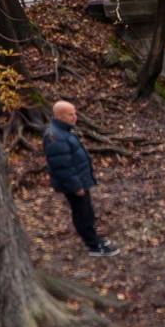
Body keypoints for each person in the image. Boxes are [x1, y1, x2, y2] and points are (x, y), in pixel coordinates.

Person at [43, 100, 119, 257]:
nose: (75, 117)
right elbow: (62, 166)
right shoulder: (54, 136)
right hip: (73, 183)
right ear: (60, 116)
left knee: (87, 211)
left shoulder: (64, 130)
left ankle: (93, 238)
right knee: (82, 213)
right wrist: (76, 186)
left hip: (80, 179)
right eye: (70, 114)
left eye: (75, 113)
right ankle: (93, 246)